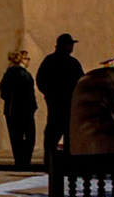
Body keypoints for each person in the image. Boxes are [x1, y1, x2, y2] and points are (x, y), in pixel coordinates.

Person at [36, 33, 85, 167]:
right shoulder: (68, 63)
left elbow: (40, 80)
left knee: (57, 132)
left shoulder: (54, 61)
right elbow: (81, 81)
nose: (71, 48)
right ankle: (59, 160)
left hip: (61, 102)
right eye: (70, 45)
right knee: (59, 132)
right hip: (62, 103)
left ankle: (54, 160)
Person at [0, 49, 38, 169]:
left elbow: (3, 93)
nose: (28, 61)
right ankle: (25, 161)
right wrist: (32, 105)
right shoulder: (24, 74)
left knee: (16, 137)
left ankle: (19, 161)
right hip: (24, 109)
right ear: (21, 59)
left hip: (11, 110)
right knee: (29, 136)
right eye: (27, 58)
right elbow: (28, 93)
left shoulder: (8, 74)